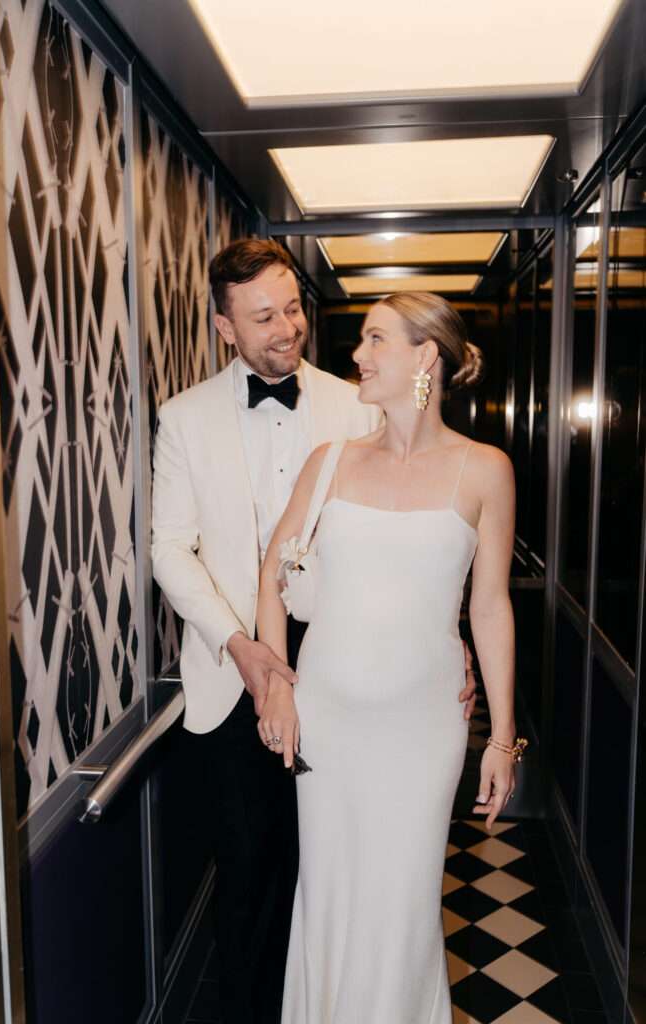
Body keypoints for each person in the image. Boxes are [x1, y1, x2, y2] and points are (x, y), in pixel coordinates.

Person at [151, 243, 478, 1024]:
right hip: (234, 672)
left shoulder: (356, 402)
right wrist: (243, 647)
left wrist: (444, 632)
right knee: (248, 871)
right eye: (263, 317)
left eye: (293, 308)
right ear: (224, 326)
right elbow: (168, 549)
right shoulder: (183, 417)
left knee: (340, 868)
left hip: (347, 668)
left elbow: (418, 529)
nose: (287, 328)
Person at [257, 291, 520, 1024]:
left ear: (424, 356)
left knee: (402, 904)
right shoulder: (330, 462)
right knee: (330, 895)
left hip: (423, 728)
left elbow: (489, 607)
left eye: (376, 340)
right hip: (327, 721)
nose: (358, 355)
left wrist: (501, 738)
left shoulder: (485, 469)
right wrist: (277, 687)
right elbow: (271, 576)